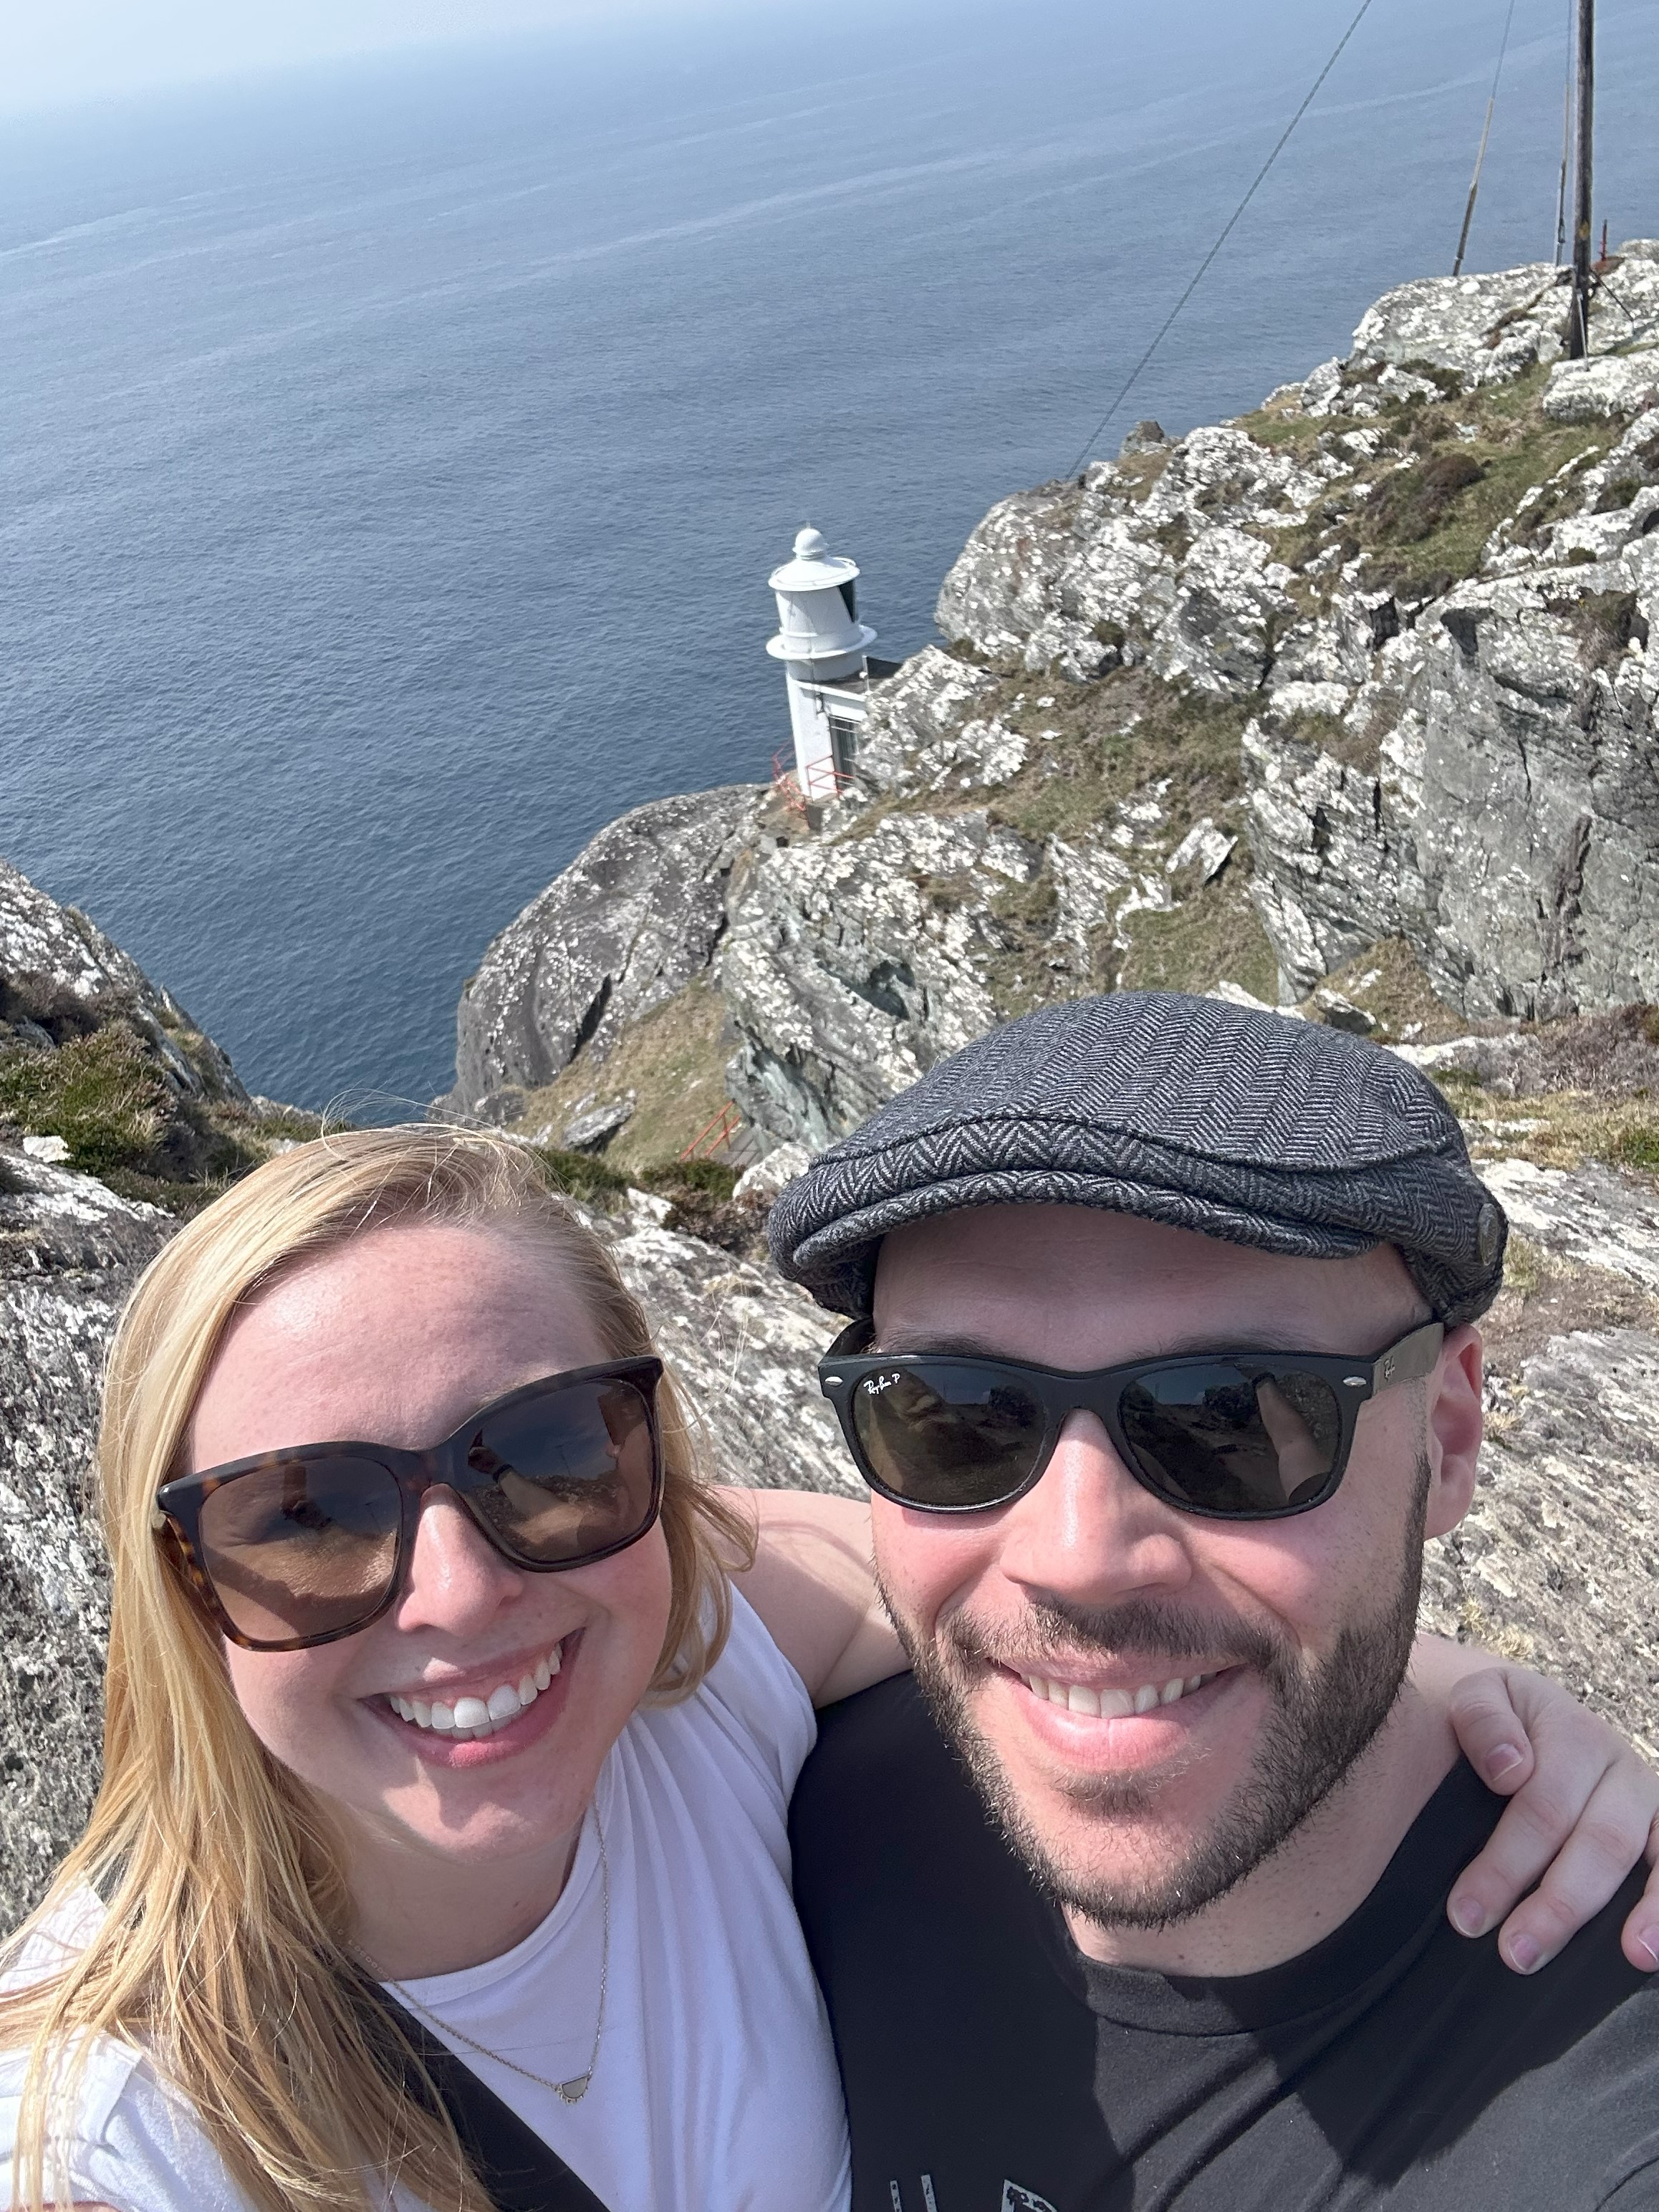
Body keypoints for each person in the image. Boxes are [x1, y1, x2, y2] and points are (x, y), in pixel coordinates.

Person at [0, 1121, 1651, 2212]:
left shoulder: (693, 1692)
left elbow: (998, 1575)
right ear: (177, 1584)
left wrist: (1408, 1668)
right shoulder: (102, 2136)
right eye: (301, 1517)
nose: (459, 1589)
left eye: (551, 1451)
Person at [774, 991, 1659, 2212]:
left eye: (1231, 1419)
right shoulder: (796, 1811)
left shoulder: (1604, 2120)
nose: (1075, 1557)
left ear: (1448, 1439)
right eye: (959, 1417)